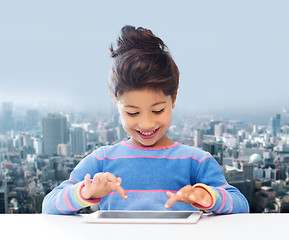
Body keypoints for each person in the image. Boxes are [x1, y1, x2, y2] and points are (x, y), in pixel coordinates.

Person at [42, 25, 249, 215]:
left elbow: (240, 205)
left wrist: (208, 197)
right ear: (115, 102)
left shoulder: (196, 162)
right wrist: (84, 193)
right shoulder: (102, 160)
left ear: (174, 99)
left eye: (158, 110)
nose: (147, 124)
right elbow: (49, 206)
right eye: (133, 113)